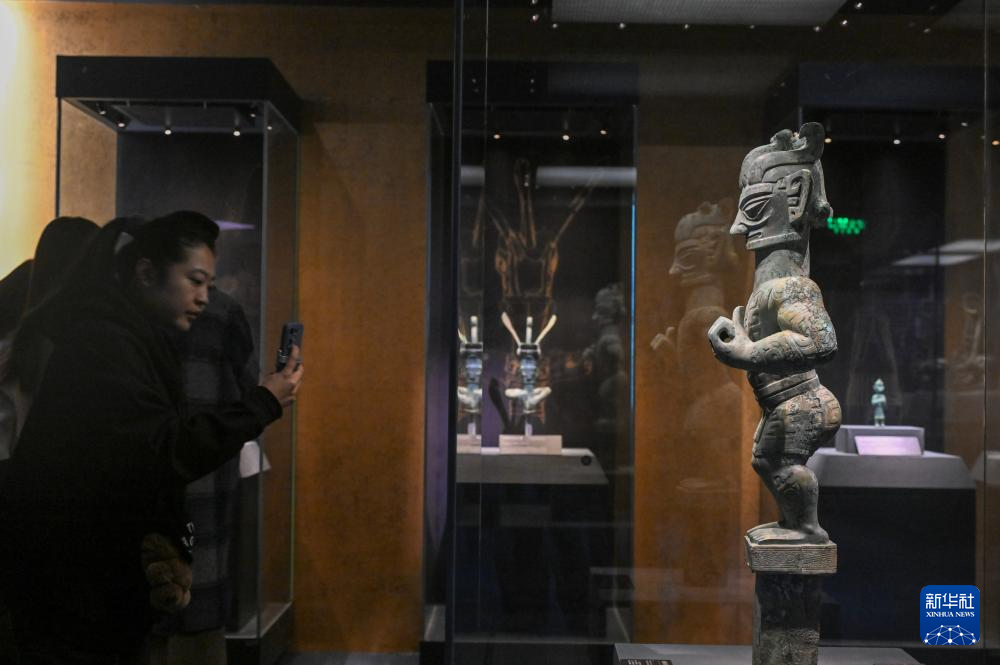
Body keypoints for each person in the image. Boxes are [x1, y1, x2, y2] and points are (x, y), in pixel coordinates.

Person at [0, 211, 303, 664]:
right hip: (75, 582)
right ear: (145, 273)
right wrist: (263, 401)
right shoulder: (106, 341)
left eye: (209, 284)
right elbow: (164, 448)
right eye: (195, 281)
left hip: (89, 577)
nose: (204, 298)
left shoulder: (123, 334)